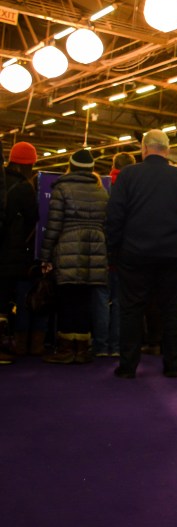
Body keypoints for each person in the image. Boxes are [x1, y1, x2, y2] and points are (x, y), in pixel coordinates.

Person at [106, 131, 177, 378]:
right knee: (173, 310)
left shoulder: (128, 175)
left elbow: (115, 216)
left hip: (134, 254)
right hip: (174, 254)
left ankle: (128, 366)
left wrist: (113, 251)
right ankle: (172, 365)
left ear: (143, 149)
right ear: (167, 150)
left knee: (131, 310)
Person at [39, 149, 108, 363]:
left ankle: (67, 350)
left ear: (71, 166)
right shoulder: (102, 191)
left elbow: (53, 225)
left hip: (69, 245)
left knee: (68, 298)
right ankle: (82, 350)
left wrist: (45, 256)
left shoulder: (62, 188)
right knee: (86, 299)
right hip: (96, 248)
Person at [0, 142, 48, 362]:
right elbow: (34, 220)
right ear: (28, 165)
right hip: (15, 255)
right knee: (20, 299)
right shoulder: (24, 189)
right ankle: (19, 345)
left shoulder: (3, 181)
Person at [92, 152, 136, 360]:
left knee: (101, 297)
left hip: (103, 249)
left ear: (113, 165)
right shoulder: (137, 187)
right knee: (121, 301)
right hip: (128, 252)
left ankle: (100, 345)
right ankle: (117, 346)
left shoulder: (101, 187)